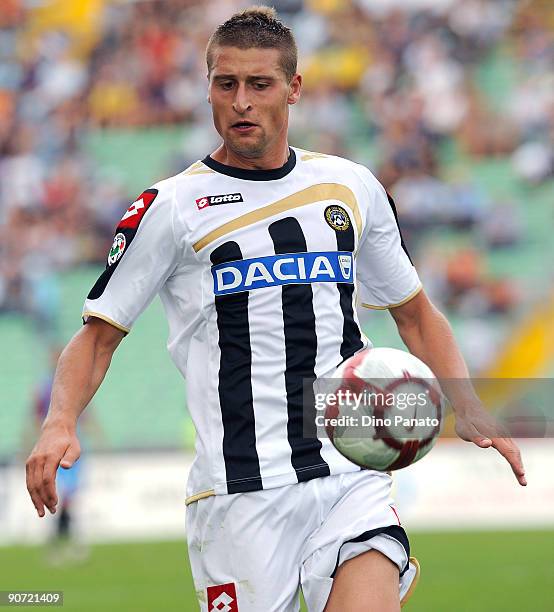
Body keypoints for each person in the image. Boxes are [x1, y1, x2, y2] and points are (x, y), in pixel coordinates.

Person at [26, 7, 526, 611]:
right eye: (225, 83)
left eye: (259, 84)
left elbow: (415, 313)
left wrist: (467, 403)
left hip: (350, 473)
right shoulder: (171, 207)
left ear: (293, 89)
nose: (240, 101)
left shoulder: (350, 187)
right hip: (238, 495)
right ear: (207, 86)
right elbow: (98, 336)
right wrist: (59, 421)